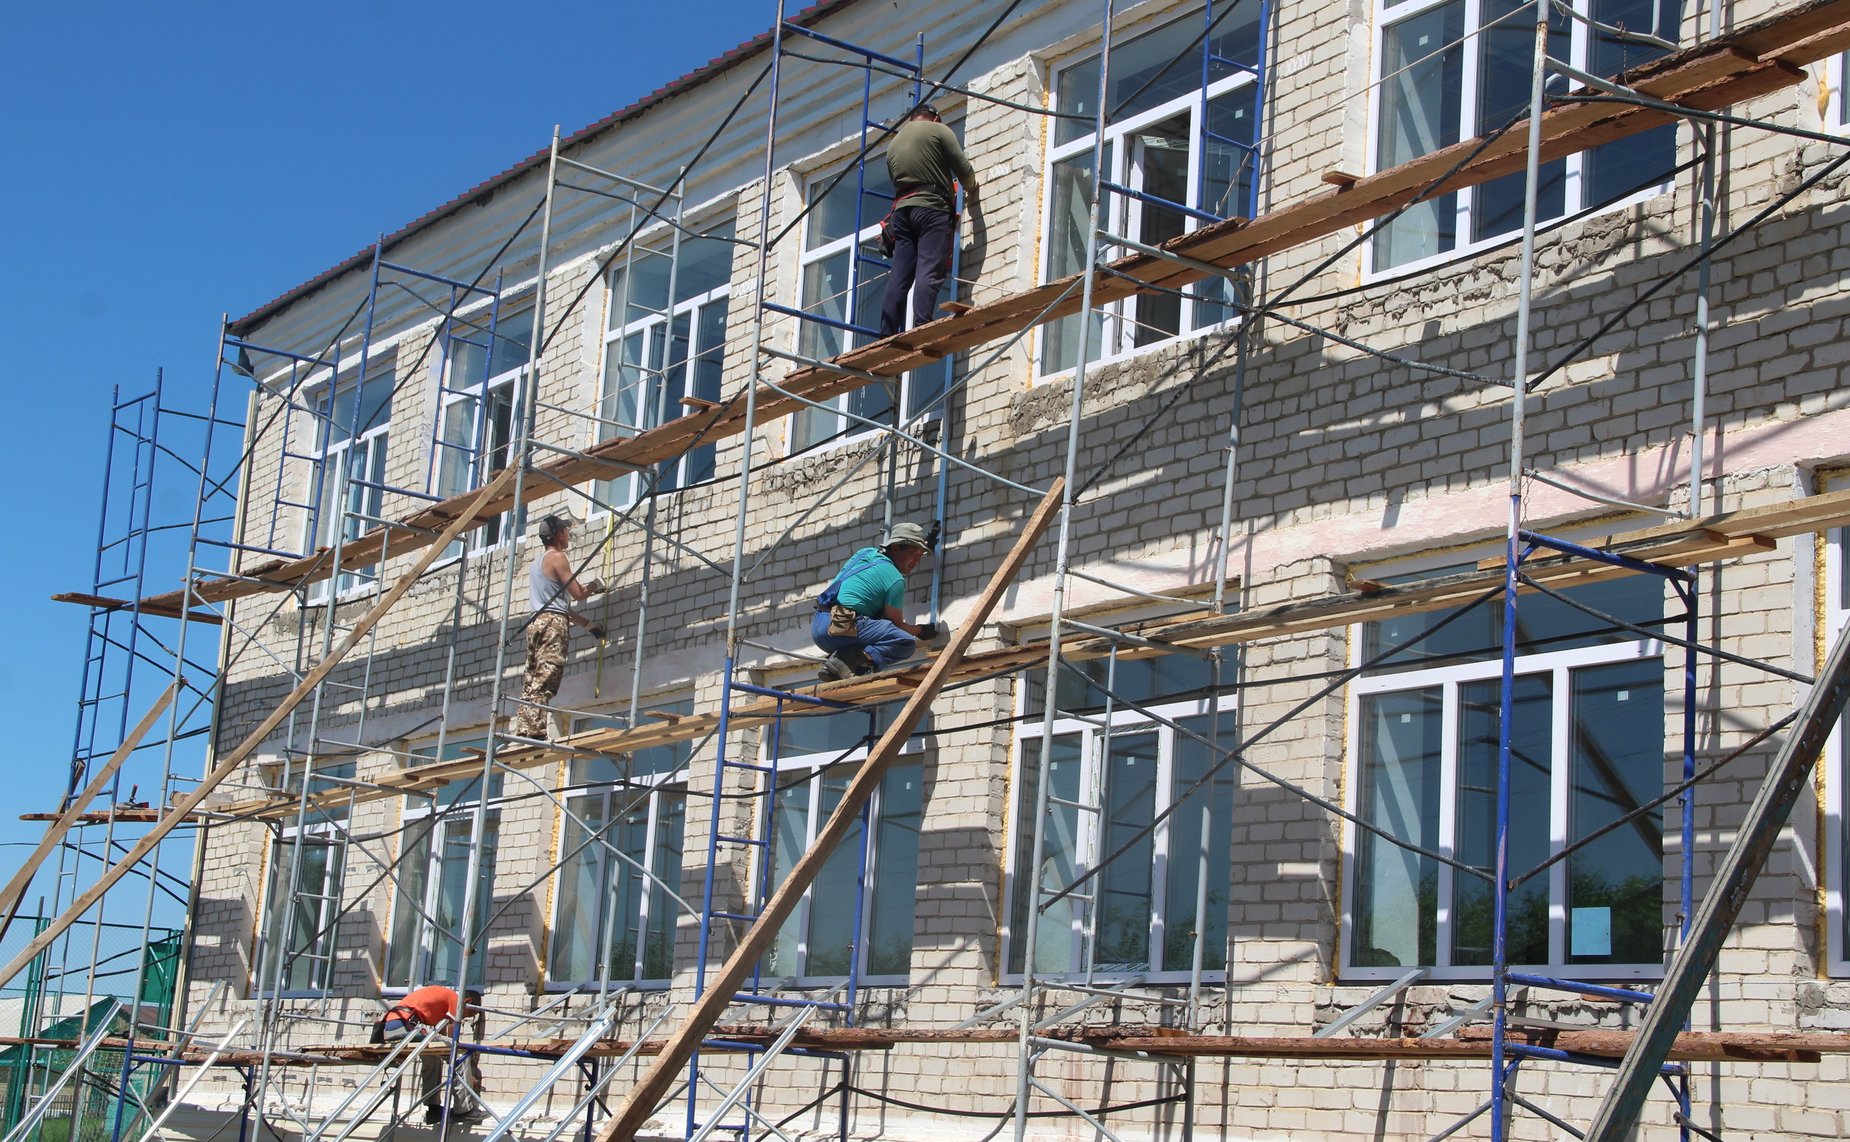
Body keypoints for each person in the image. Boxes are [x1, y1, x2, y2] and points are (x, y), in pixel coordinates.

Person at [879, 103, 979, 338]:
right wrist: (972, 186)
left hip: (902, 213)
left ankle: (886, 332)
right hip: (931, 208)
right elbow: (963, 169)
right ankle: (922, 324)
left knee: (900, 275)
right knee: (929, 268)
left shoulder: (893, 144)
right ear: (935, 118)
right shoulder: (938, 130)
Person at [512, 513, 608, 741]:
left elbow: (560, 607)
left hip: (537, 623)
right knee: (547, 674)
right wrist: (596, 585)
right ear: (558, 535)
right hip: (552, 625)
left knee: (533, 677)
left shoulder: (536, 564)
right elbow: (578, 594)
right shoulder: (557, 557)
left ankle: (525, 727)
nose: (568, 533)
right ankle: (536, 732)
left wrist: (589, 625)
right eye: (565, 530)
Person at [812, 522, 940, 681]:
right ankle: (845, 663)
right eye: (914, 554)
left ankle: (840, 666)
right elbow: (897, 626)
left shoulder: (865, 553)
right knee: (904, 642)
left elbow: (894, 559)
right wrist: (920, 631)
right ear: (895, 548)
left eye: (919, 557)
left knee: (872, 639)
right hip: (843, 627)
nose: (916, 562)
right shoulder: (895, 580)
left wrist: (921, 547)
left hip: (821, 625)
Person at [371, 986, 485, 1125]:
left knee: (433, 1057)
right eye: (468, 1014)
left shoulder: (441, 1002)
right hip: (405, 1026)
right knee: (459, 1053)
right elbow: (451, 1035)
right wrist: (467, 1076)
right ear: (467, 1001)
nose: (464, 1017)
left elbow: (441, 1036)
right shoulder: (455, 999)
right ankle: (464, 1110)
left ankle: (433, 1110)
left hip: (393, 1027)